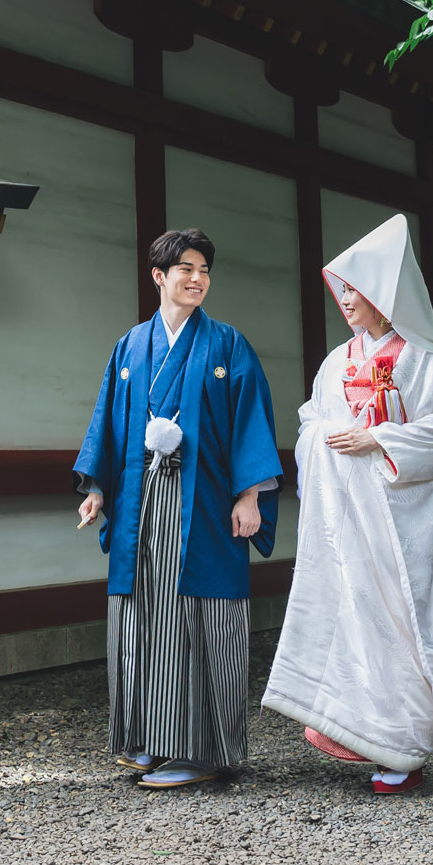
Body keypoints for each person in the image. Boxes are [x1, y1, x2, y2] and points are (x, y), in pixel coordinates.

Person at [263, 213, 433, 794]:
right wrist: (330, 438)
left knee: (402, 616)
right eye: (342, 290)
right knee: (353, 616)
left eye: (355, 290)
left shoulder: (425, 359)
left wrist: (377, 438)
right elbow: (311, 420)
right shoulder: (337, 361)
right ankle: (362, 733)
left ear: (383, 294)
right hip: (347, 519)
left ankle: (404, 744)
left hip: (397, 521)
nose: (345, 301)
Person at [74, 228, 283, 788]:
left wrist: (249, 495)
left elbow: (250, 420)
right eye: (186, 269)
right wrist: (97, 489)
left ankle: (199, 750)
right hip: (140, 498)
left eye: (205, 270)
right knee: (142, 615)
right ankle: (145, 738)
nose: (197, 279)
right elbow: (108, 423)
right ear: (158, 277)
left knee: (202, 617)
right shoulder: (129, 346)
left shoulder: (226, 344)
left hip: (207, 503)